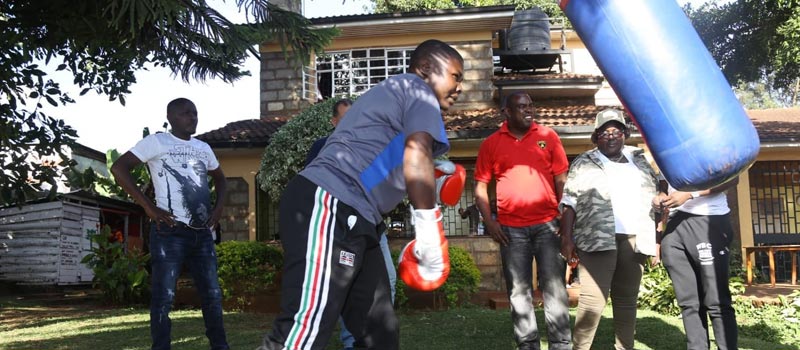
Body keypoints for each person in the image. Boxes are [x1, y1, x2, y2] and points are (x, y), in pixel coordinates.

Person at [259, 39, 464, 350]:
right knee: (305, 329)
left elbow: (395, 164)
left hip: (360, 218)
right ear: (425, 70)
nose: (459, 87)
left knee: (379, 333)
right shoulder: (418, 90)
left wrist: (433, 177)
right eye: (455, 76)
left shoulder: (397, 97)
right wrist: (430, 230)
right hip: (331, 204)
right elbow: (416, 154)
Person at [110, 97, 229, 350]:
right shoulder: (156, 142)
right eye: (187, 113)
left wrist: (217, 210)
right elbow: (119, 168)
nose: (193, 117)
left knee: (212, 295)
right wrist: (149, 208)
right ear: (171, 117)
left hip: (202, 234)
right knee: (164, 297)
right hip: (170, 233)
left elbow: (221, 179)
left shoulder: (203, 148)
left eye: (195, 113)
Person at [474, 91, 571, 350]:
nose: (529, 110)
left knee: (555, 289)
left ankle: (561, 345)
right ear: (506, 112)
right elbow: (480, 188)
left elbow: (561, 180)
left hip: (548, 225)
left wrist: (563, 215)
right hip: (510, 230)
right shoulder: (491, 144)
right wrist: (490, 222)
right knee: (518, 292)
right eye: (521, 107)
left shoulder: (548, 136)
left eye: (531, 105)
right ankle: (527, 345)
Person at [558, 108, 659, 350]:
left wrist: (657, 239)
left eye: (616, 131)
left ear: (624, 134)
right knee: (592, 304)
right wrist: (567, 239)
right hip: (597, 240)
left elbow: (656, 198)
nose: (611, 136)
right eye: (604, 132)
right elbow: (569, 202)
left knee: (626, 302)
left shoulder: (640, 160)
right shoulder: (584, 162)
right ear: (596, 137)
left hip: (634, 239)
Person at [304, 98, 397, 350]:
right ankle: (352, 341)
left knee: (387, 279)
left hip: (373, 227)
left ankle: (373, 336)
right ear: (334, 122)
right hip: (341, 231)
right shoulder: (322, 147)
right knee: (346, 286)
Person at [654, 177, 739, 350]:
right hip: (675, 224)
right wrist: (661, 195)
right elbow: (664, 183)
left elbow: (732, 178)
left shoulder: (714, 148)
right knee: (688, 302)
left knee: (717, 301)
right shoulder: (667, 151)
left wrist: (690, 194)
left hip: (709, 220)